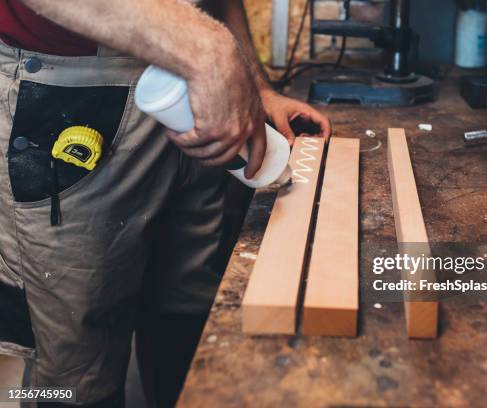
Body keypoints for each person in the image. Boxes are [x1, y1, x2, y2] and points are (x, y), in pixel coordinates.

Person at [0, 0, 331, 406]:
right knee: (76, 362)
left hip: (194, 95)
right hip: (76, 91)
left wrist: (253, 83)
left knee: (189, 313)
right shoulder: (204, 47)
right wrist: (208, 49)